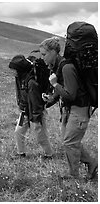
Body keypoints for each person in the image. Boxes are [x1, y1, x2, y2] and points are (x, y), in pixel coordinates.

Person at [39, 37, 98, 180]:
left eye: (44, 54)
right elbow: (64, 93)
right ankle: (93, 164)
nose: (42, 58)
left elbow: (70, 94)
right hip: (69, 110)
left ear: (54, 52)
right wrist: (51, 98)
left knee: (70, 142)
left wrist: (54, 85)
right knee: (70, 142)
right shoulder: (58, 67)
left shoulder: (66, 67)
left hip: (79, 110)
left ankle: (74, 176)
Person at [9, 55, 53, 159]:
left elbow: (36, 102)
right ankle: (21, 153)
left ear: (19, 70)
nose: (12, 72)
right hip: (25, 111)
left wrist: (37, 118)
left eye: (14, 69)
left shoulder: (31, 83)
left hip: (35, 112)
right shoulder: (20, 78)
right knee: (18, 131)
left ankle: (49, 154)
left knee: (40, 135)